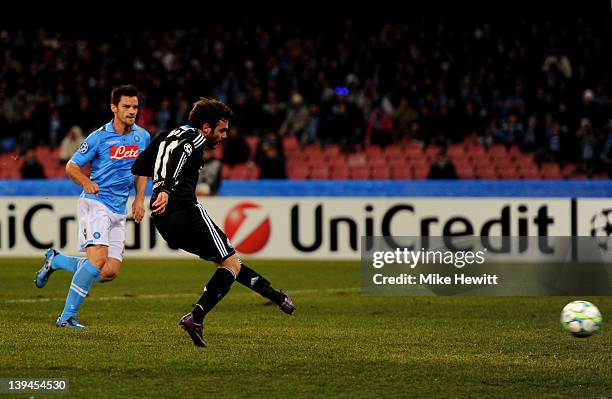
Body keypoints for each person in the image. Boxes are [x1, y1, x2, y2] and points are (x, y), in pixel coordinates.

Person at [131, 97, 294, 347]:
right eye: (222, 129)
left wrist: (146, 195)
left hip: (163, 221)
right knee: (230, 262)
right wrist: (165, 187)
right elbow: (180, 155)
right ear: (206, 127)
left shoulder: (166, 135)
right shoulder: (195, 137)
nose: (225, 135)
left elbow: (139, 165)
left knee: (229, 263)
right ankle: (196, 317)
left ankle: (277, 297)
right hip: (185, 210)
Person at [35, 85, 151, 329]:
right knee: (97, 260)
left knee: (108, 272)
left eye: (135, 107)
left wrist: (140, 199)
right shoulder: (99, 137)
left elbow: (142, 170)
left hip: (119, 209)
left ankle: (55, 260)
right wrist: (86, 182)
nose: (132, 111)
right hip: (96, 203)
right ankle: (66, 317)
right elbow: (71, 166)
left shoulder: (143, 137)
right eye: (126, 107)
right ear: (114, 108)